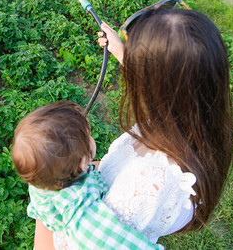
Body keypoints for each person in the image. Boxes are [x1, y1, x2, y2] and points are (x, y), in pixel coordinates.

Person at [35, 6, 233, 248]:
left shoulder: (143, 184)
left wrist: (48, 195)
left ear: (157, 89)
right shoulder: (197, 118)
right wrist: (121, 51)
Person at [11, 100, 164, 250]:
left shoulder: (44, 174)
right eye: (89, 135)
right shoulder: (78, 206)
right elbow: (106, 240)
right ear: (82, 163)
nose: (92, 138)